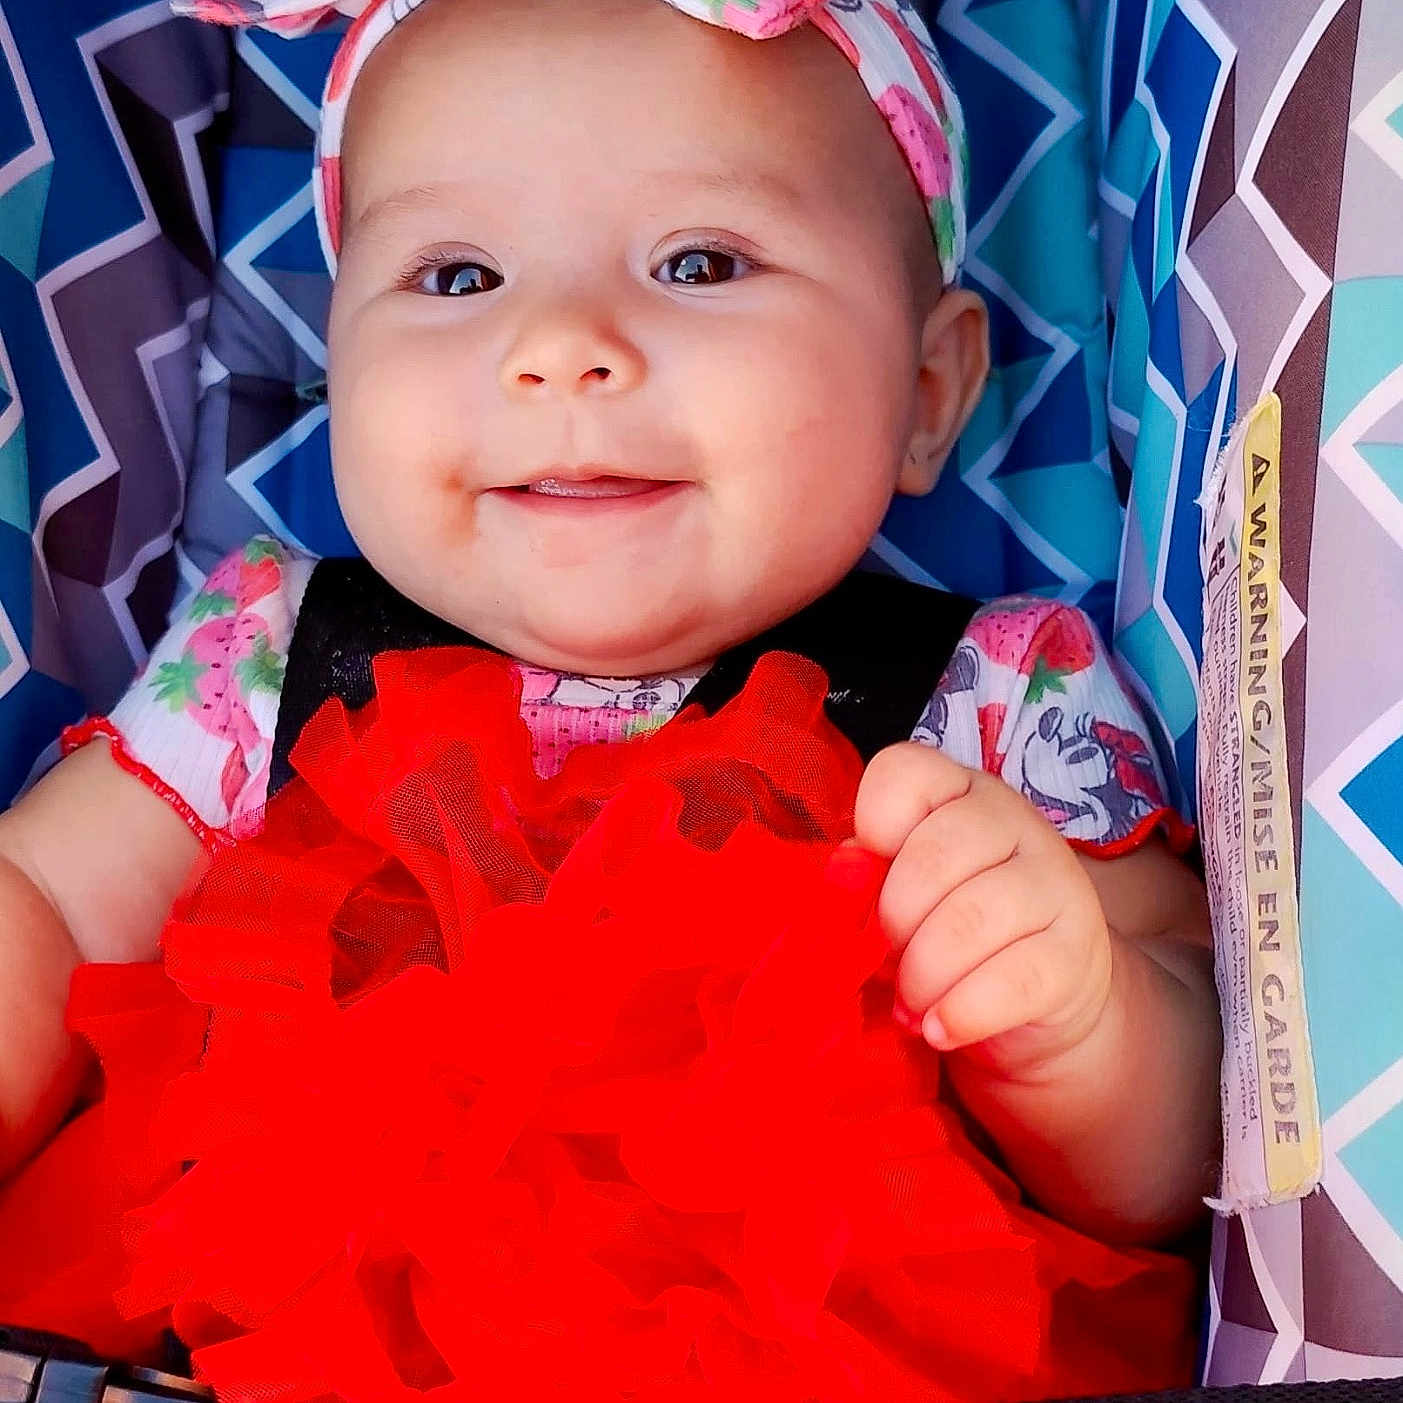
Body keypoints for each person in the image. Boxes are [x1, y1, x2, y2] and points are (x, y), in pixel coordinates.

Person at [0, 0, 1219, 1379]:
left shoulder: (993, 697)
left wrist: (1080, 1021)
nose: (562, 344)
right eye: (458, 280)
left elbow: (1186, 1148)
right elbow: (43, 909)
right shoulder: (262, 656)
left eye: (699, 262)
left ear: (930, 389)